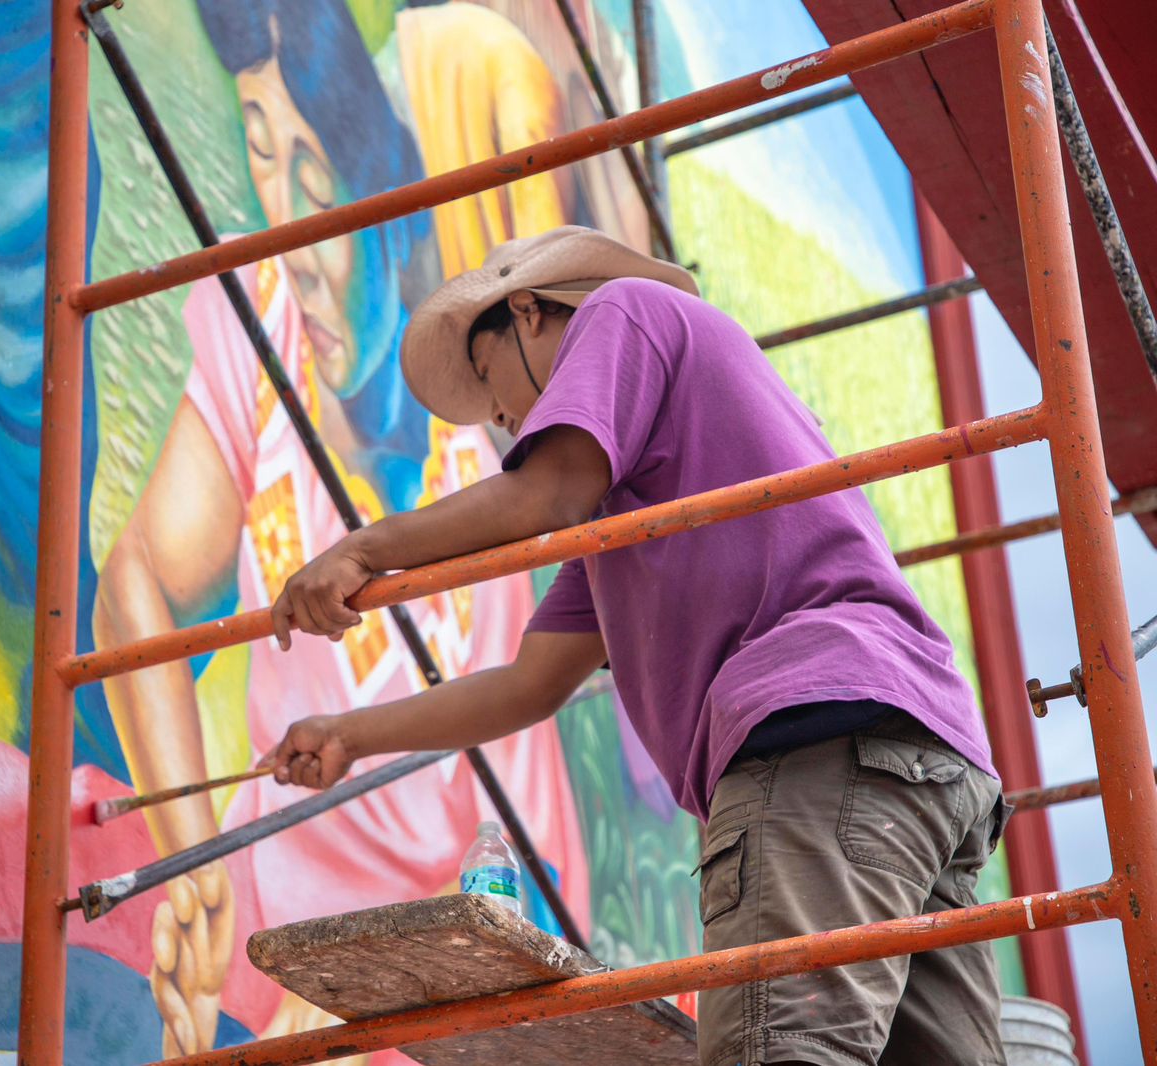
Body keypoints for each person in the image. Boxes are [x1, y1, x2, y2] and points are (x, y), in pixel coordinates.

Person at [262, 225, 1011, 1066]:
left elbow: (544, 489)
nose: (500, 419)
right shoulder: (627, 504)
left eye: (487, 376)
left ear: (531, 310)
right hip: (923, 764)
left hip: (816, 739)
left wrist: (362, 550)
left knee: (782, 1054)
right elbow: (530, 684)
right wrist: (350, 735)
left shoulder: (622, 312)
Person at [92, 2, 587, 1055]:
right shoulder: (262, 315)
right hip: (269, 934)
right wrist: (197, 866)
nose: (297, 238)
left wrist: (387, 981)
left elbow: (517, 759)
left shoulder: (508, 398)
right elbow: (139, 574)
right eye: (260, 159)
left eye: (316, 186)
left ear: (386, 200)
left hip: (467, 928)